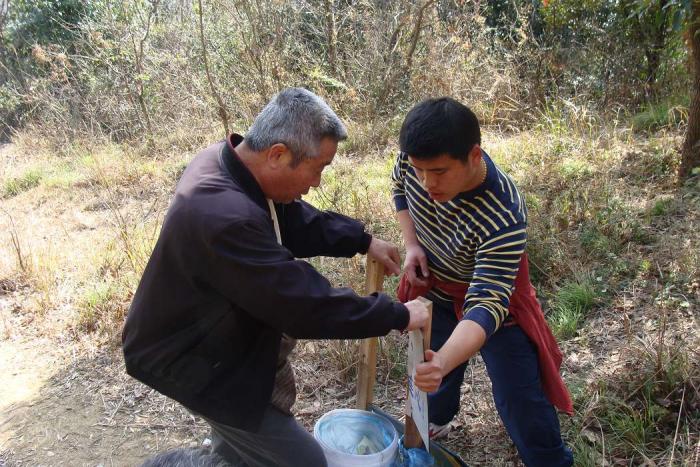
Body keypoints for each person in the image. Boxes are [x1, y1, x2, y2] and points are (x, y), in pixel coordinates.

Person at [122, 87, 430, 467]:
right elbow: (302, 304)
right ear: (278, 154)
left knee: (242, 447)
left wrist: (361, 239)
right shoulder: (223, 217)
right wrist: (398, 315)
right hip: (192, 358)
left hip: (216, 340)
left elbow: (288, 216)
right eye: (318, 168)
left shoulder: (230, 165)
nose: (317, 182)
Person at [392, 97, 574, 467]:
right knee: (433, 377)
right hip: (439, 286)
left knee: (519, 397)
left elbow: (487, 304)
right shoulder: (414, 161)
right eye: (420, 170)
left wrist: (443, 361)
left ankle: (549, 461)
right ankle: (438, 418)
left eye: (439, 172)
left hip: (496, 303)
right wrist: (412, 245)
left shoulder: (503, 212)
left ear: (474, 155)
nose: (427, 183)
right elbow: (399, 189)